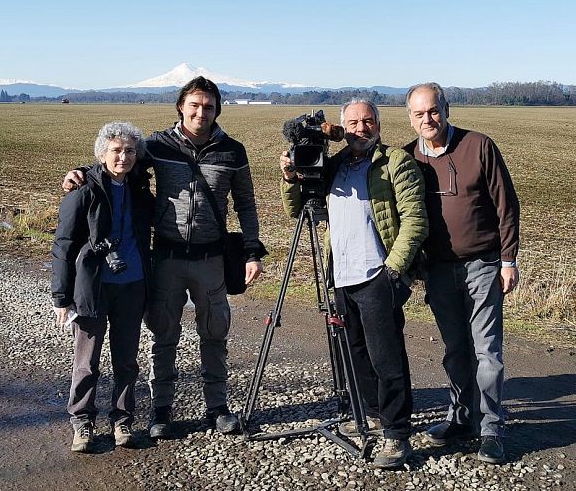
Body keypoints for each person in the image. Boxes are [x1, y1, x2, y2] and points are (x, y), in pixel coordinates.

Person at [63, 76, 266, 439]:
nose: (201, 112)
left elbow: (246, 205)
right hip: (167, 257)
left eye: (208, 106)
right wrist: (79, 172)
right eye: (194, 105)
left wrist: (252, 251)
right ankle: (161, 410)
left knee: (215, 333)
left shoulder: (233, 151)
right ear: (181, 108)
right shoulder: (157, 145)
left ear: (217, 109)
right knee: (164, 334)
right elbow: (115, 159)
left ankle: (218, 407)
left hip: (212, 260)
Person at [279, 99, 427, 470]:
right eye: (353, 122)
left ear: (378, 124)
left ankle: (396, 435)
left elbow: (415, 220)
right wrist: (290, 179)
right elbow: (299, 211)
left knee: (386, 358)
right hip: (341, 276)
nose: (361, 128)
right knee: (356, 354)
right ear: (342, 127)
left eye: (368, 121)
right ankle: (373, 415)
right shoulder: (334, 165)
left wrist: (393, 270)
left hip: (378, 274)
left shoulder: (395, 162)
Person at [404, 82, 520, 464]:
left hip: (483, 265)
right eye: (419, 114)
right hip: (438, 269)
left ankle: (491, 429)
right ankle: (460, 418)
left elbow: (506, 205)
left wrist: (508, 261)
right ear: (410, 118)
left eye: (433, 111)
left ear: (447, 109)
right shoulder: (407, 158)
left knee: (487, 351)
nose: (428, 119)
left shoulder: (478, 146)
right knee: (455, 350)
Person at [51, 121, 154, 453]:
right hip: (93, 287)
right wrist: (61, 297)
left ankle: (122, 419)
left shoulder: (139, 189)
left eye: (129, 151)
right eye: (115, 150)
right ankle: (82, 422)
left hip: (133, 284)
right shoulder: (83, 190)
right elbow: (64, 245)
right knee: (86, 361)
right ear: (102, 153)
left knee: (126, 359)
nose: (122, 157)